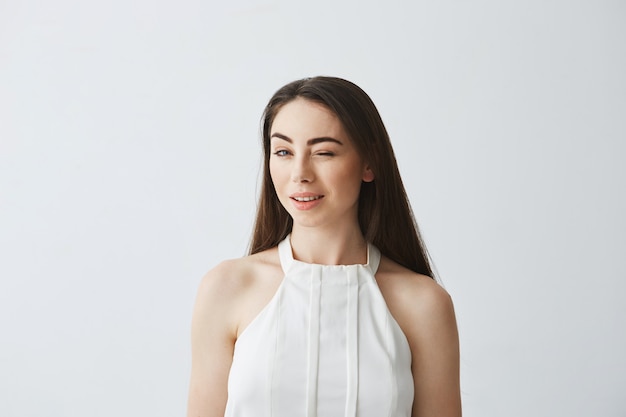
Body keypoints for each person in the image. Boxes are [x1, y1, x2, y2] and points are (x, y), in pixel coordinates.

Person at [187, 76, 461, 417]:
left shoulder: (424, 305)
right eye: (284, 152)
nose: (300, 173)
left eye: (324, 152)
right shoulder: (227, 288)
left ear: (369, 163)